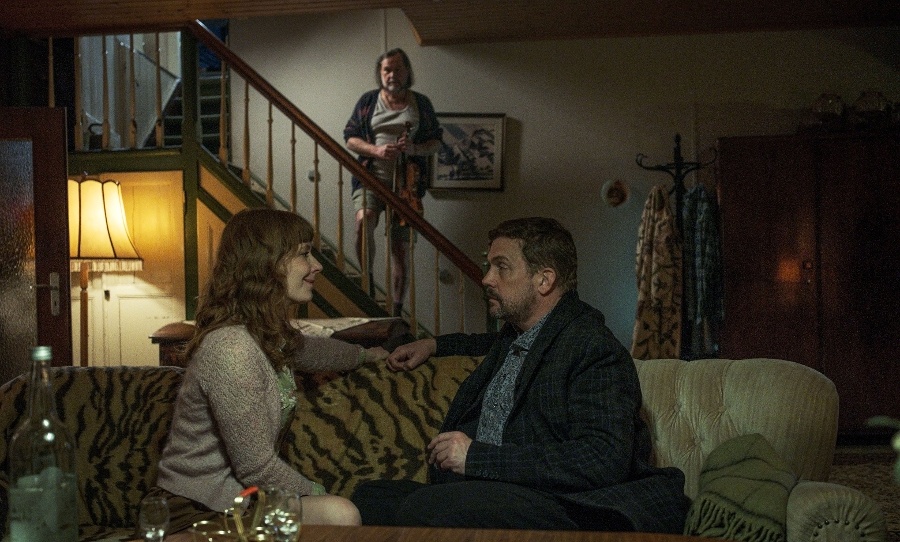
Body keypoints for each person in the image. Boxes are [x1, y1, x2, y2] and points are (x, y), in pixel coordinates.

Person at [351, 217, 688, 533]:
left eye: (502, 267)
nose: (487, 279)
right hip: (496, 491)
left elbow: (602, 458)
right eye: (489, 266)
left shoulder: (593, 348)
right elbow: (482, 343)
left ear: (544, 280)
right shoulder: (519, 336)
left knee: (427, 509)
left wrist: (476, 457)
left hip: (565, 501)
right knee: (369, 499)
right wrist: (433, 344)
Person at [148, 208, 387, 536]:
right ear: (268, 264)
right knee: (338, 513)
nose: (317, 265)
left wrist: (366, 356)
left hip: (238, 500)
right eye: (304, 253)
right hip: (196, 508)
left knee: (338, 513)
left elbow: (312, 351)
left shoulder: (264, 335)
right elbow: (256, 467)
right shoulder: (232, 347)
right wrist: (318, 493)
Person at [343, 48, 442, 317]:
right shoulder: (368, 100)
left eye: (397, 69)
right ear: (380, 73)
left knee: (401, 250)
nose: (392, 74)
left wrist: (414, 149)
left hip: (407, 186)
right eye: (387, 69)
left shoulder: (421, 103)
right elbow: (350, 138)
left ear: (407, 72)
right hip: (370, 178)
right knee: (363, 221)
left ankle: (396, 310)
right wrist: (376, 150)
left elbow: (436, 141)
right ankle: (367, 280)